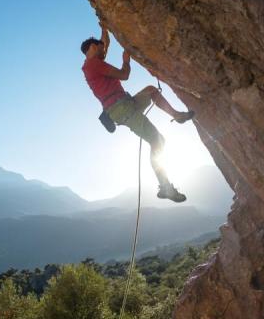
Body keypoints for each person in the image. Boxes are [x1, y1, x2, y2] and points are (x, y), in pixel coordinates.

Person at [81, 22, 195, 202]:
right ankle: (165, 187)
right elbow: (124, 75)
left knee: (151, 90)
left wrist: (104, 28)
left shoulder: (93, 63)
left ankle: (177, 116)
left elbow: (105, 43)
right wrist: (126, 61)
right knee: (157, 140)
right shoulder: (92, 65)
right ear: (93, 47)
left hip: (125, 104)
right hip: (121, 109)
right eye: (101, 49)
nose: (104, 52)